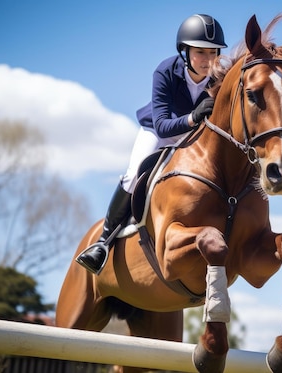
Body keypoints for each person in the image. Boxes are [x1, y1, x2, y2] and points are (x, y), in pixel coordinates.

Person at [76, 14, 227, 275]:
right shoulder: (166, 71)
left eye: (213, 52)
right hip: (159, 132)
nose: (208, 60)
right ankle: (103, 242)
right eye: (200, 52)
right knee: (134, 174)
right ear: (185, 51)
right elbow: (162, 126)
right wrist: (193, 117)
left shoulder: (219, 78)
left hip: (195, 137)